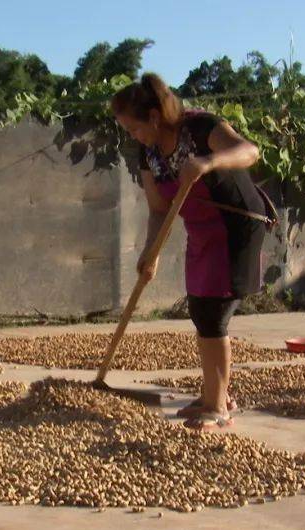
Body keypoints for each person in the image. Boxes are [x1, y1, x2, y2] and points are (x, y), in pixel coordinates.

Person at [111, 73, 267, 431]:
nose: (132, 137)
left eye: (133, 128)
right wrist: (151, 253)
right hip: (202, 232)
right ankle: (216, 391)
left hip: (235, 226)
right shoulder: (149, 155)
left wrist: (209, 162)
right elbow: (157, 209)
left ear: (153, 117)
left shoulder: (199, 128)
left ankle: (218, 406)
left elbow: (249, 151)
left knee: (213, 311)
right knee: (200, 307)